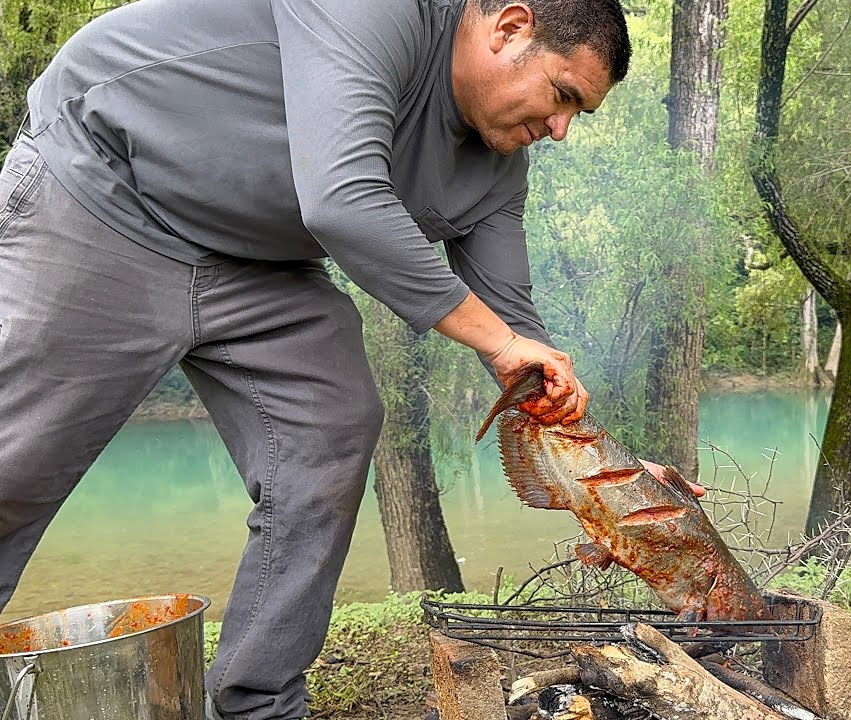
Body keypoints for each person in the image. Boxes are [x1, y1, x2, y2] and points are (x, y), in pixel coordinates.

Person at [0, 0, 661, 717]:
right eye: (562, 95)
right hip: (104, 194)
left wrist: (617, 482)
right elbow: (343, 200)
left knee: (331, 428)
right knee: (16, 464)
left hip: (256, 261)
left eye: (577, 113)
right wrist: (500, 341)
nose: (560, 129)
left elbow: (516, 338)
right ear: (509, 28)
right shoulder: (379, 10)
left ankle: (257, 702)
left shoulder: (499, 170)